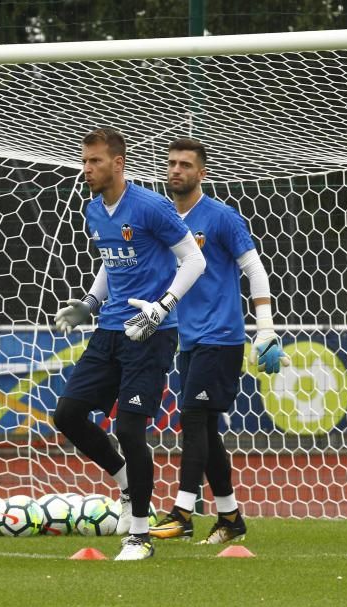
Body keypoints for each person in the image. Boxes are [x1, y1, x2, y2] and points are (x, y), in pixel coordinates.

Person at [51, 127, 206, 561]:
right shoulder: (93, 210)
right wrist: (88, 303)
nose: (87, 169)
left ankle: (139, 535)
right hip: (111, 330)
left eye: (95, 162)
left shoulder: (152, 207)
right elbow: (110, 261)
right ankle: (123, 481)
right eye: (84, 161)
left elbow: (195, 259)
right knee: (68, 414)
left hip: (152, 332)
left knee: (130, 428)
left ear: (117, 163)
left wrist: (162, 306)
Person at [149, 137, 289, 544]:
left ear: (202, 172)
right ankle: (230, 518)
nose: (176, 170)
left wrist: (265, 328)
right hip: (189, 340)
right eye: (172, 163)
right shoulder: (164, 220)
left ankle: (183, 512)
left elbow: (256, 270)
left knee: (192, 419)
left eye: (185, 165)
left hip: (222, 337)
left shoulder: (221, 217)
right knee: (206, 430)